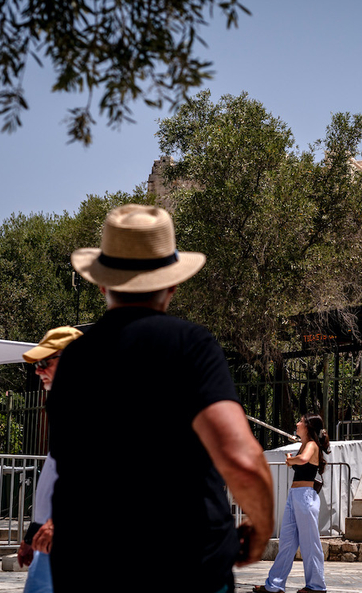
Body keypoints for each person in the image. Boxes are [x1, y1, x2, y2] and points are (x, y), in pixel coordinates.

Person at [46, 204, 274, 593]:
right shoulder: (191, 346)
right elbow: (240, 458)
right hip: (185, 567)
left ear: (103, 284)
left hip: (84, 568)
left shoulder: (72, 361)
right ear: (172, 284)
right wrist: (261, 525)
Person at [16, 326, 83, 593]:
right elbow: (56, 476)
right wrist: (32, 535)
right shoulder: (63, 403)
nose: (37, 370)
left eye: (44, 362)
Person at [256, 414, 330, 593]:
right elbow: (301, 459)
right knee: (287, 542)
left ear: (307, 426)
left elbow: (303, 460)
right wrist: (292, 458)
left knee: (309, 543)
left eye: (300, 421)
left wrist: (291, 460)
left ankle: (317, 586)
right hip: (295, 495)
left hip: (305, 497)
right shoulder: (304, 445)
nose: (297, 423)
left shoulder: (312, 445)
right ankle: (274, 585)